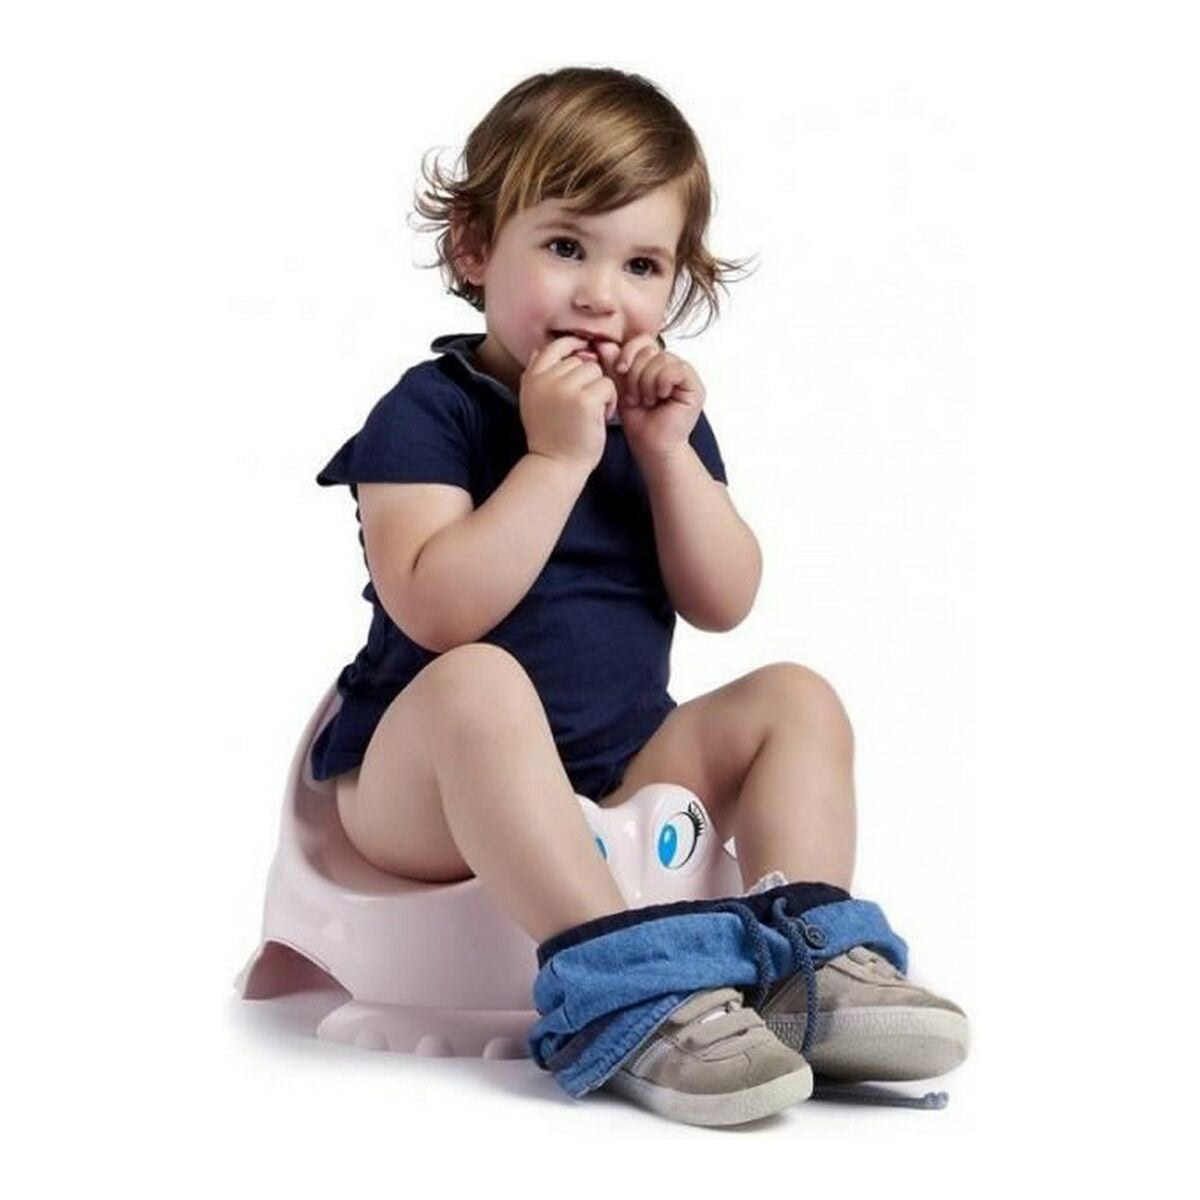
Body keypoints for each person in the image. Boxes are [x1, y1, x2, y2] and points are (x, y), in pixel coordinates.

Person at [311, 65, 968, 1126]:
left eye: (642, 264)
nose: (600, 295)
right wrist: (555, 460)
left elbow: (725, 599)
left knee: (795, 697)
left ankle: (811, 963)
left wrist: (666, 457)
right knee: (481, 680)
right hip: (420, 790)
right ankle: (626, 993)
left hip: (618, 766)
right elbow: (436, 609)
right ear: (476, 247)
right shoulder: (430, 413)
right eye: (566, 247)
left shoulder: (655, 418)